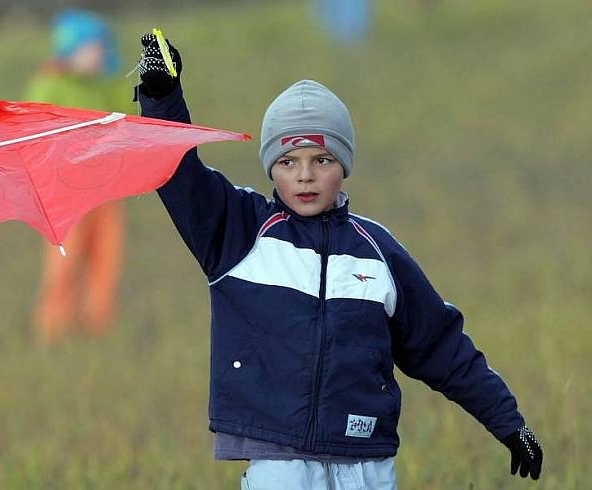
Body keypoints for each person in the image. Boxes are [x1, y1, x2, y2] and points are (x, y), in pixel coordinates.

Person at [134, 33, 543, 489]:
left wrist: (509, 422)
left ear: (343, 164)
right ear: (271, 166)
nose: (305, 175)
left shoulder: (377, 251)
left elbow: (441, 347)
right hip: (278, 459)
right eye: (288, 161)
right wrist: (161, 95)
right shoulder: (239, 232)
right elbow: (178, 175)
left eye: (321, 158)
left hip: (363, 461)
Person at [28, 10, 131, 343]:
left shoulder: (103, 85)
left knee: (107, 260)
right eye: (94, 48)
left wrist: (116, 78)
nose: (100, 54)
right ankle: (54, 328)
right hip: (65, 196)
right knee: (64, 263)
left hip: (105, 191)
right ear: (70, 50)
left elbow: (127, 117)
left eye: (103, 48)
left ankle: (99, 326)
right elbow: (36, 129)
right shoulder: (49, 84)